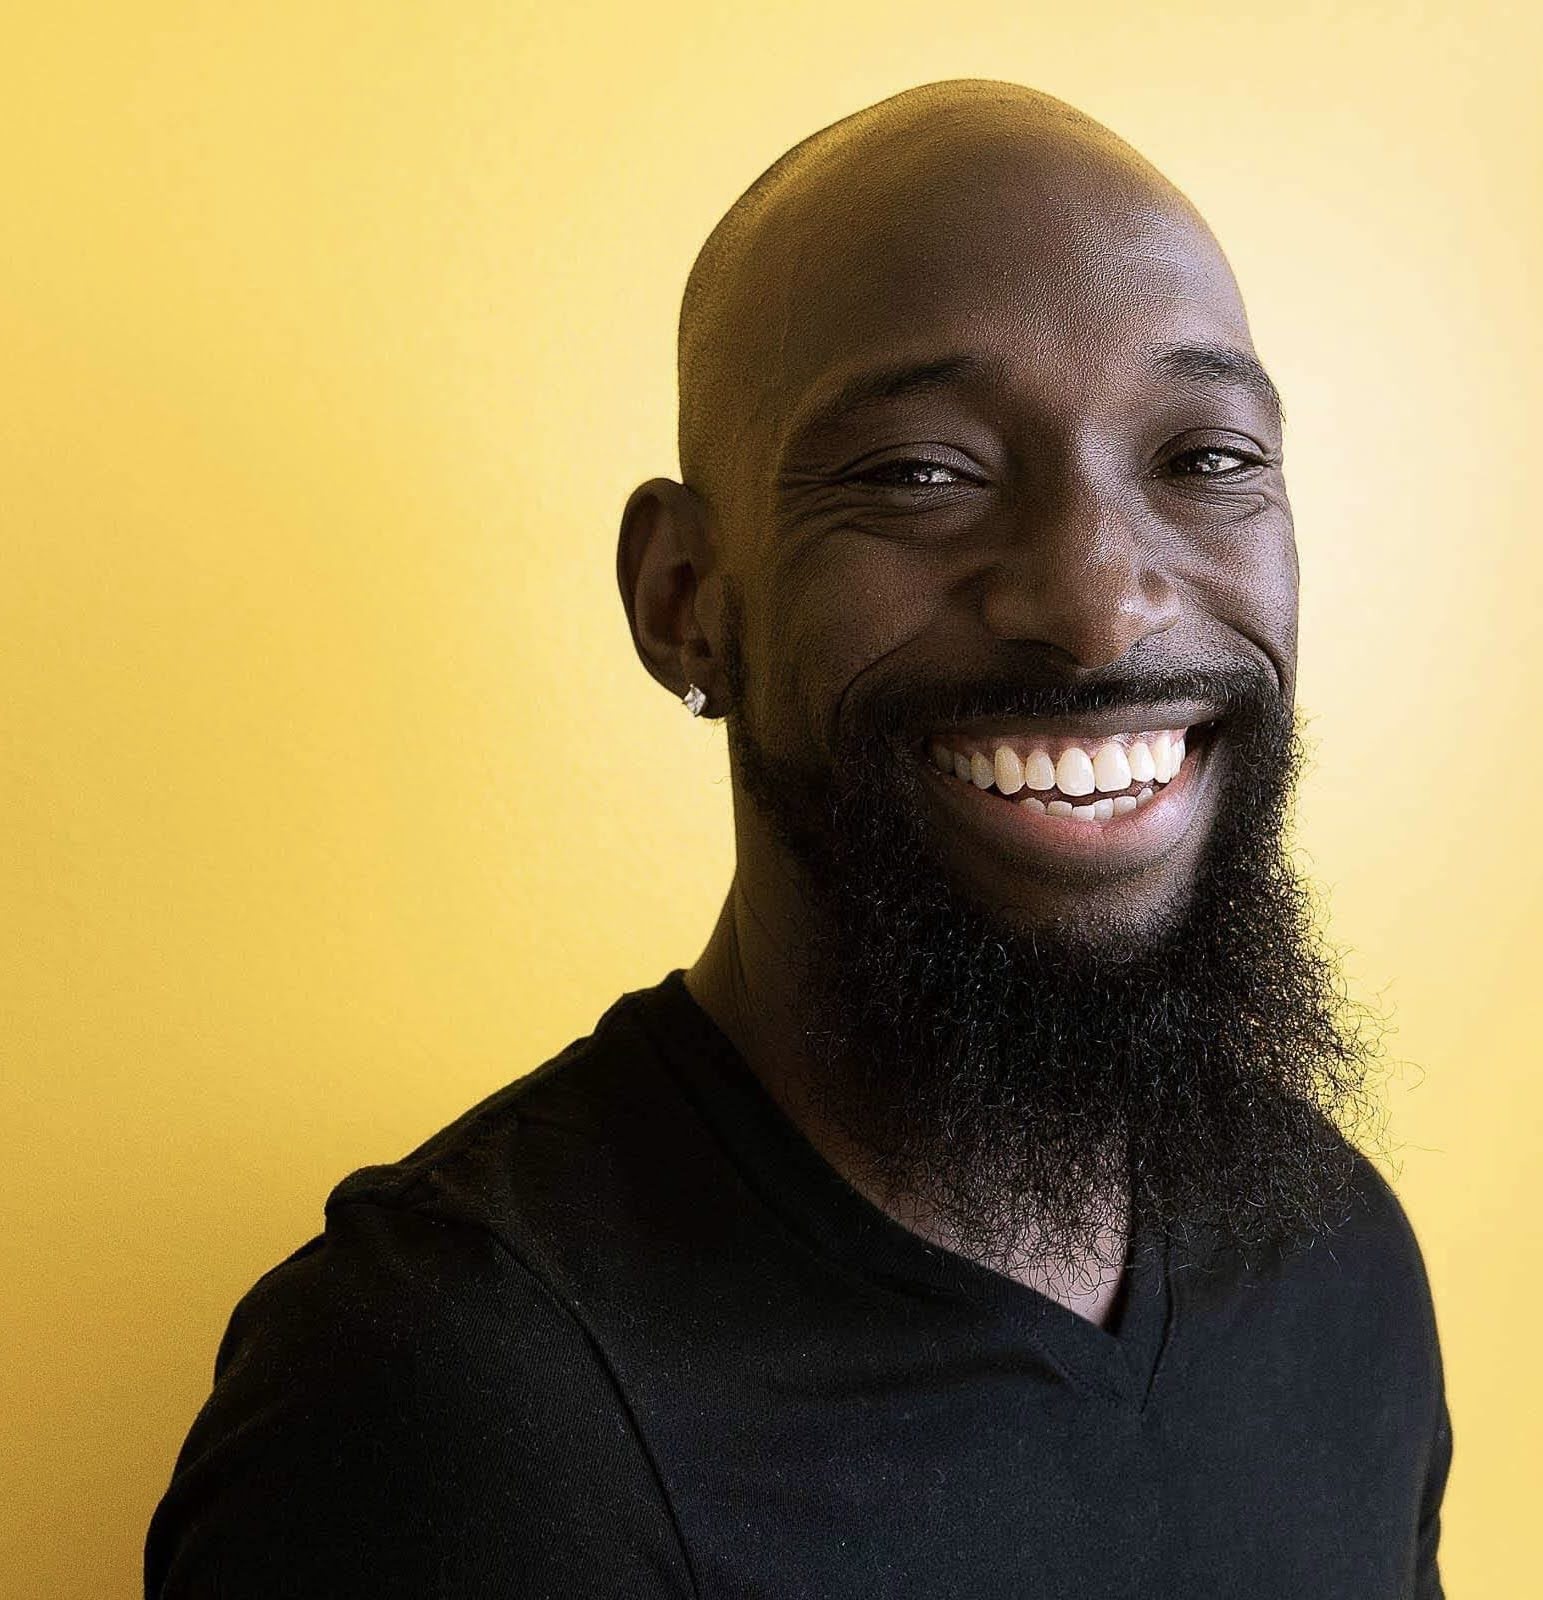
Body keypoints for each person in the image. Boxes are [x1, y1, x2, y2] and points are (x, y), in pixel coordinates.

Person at [145, 79, 1450, 1598]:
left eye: (1208, 459)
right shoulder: (446, 1404)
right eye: (920, 473)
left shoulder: (1337, 1258)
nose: (1103, 607)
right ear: (683, 600)